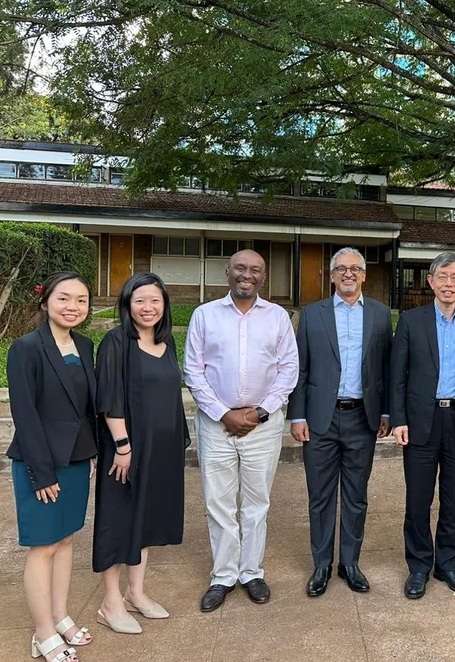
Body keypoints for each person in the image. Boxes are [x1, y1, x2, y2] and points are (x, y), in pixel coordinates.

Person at [185, 249, 299, 612]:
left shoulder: (278, 317)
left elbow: (288, 370)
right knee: (218, 503)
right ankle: (223, 576)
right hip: (215, 424)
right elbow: (193, 371)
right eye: (240, 268)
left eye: (254, 270)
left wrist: (261, 413)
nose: (246, 275)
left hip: (262, 427)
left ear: (263, 277)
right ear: (227, 272)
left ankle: (251, 572)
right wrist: (223, 414)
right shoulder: (204, 315)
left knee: (256, 503)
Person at [288, 247, 393, 597]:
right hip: (320, 419)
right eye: (341, 269)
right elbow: (300, 368)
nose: (348, 274)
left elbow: (387, 369)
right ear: (331, 276)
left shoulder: (380, 315)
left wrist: (387, 412)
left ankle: (350, 562)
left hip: (363, 418)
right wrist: (298, 414)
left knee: (355, 496)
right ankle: (321, 565)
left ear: (364, 275)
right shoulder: (312, 314)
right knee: (319, 496)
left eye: (356, 269)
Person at [7, 271, 97, 662]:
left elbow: (87, 408)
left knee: (65, 540)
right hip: (40, 463)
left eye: (80, 299)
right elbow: (24, 414)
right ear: (45, 302)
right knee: (43, 546)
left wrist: (91, 452)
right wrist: (41, 472)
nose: (72, 306)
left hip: (77, 460)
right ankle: (42, 632)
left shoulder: (86, 346)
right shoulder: (26, 348)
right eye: (64, 298)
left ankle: (60, 617)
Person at [93, 273, 190, 634]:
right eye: (139, 301)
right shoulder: (116, 342)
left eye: (154, 301)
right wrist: (122, 446)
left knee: (146, 523)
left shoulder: (167, 343)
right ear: (127, 304)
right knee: (118, 521)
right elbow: (109, 397)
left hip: (161, 449)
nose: (147, 308)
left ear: (164, 305)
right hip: (127, 450)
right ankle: (110, 602)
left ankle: (136, 593)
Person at [390, 252, 455, 599]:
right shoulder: (410, 321)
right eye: (442, 276)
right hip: (420, 421)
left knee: (454, 498)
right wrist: (398, 420)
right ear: (431, 281)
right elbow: (397, 376)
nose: (449, 283)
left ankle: (448, 563)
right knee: (418, 498)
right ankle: (419, 565)